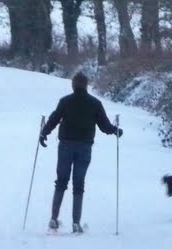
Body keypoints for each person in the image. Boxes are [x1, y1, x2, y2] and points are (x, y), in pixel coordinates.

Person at [39, 71, 123, 233]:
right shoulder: (95, 103)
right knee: (79, 182)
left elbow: (54, 118)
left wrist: (44, 133)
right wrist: (116, 130)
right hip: (84, 147)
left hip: (65, 145)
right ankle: (76, 222)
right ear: (87, 85)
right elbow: (104, 126)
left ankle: (53, 219)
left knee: (61, 181)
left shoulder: (65, 101)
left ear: (73, 85)